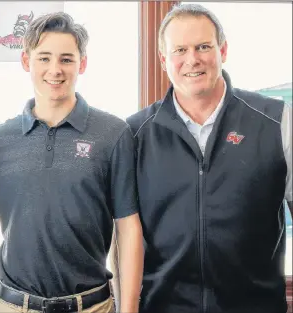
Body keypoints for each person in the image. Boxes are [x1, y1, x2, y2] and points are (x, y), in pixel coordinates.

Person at [125, 3, 292, 313]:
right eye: (180, 50)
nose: (193, 60)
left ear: (223, 50)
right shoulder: (134, 135)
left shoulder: (277, 122)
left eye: (203, 46)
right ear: (164, 60)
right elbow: (121, 238)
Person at [0, 12, 143, 313]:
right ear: (25, 62)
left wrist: (129, 309)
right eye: (44, 58)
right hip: (13, 306)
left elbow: (128, 228)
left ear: (82, 64)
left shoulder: (113, 134)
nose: (55, 70)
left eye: (66, 59)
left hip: (91, 306)